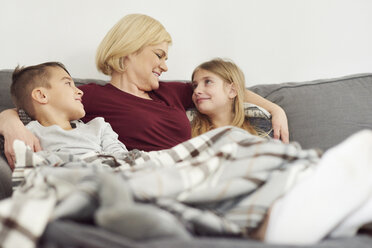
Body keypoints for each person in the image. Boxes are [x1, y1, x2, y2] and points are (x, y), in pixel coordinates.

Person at [0, 13, 289, 168]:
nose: (164, 65)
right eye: (159, 55)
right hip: (148, 172)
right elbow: (33, 104)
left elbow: (228, 88)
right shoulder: (90, 96)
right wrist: (10, 124)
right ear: (129, 51)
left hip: (190, 168)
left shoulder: (168, 92)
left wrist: (275, 108)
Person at [10, 62, 128, 158]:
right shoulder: (29, 133)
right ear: (42, 95)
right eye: (68, 83)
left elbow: (122, 157)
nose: (80, 91)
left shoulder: (99, 127)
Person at [190, 58, 265, 137]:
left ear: (232, 90)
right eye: (195, 86)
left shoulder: (259, 125)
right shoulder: (188, 125)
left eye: (208, 82)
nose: (196, 90)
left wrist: (276, 110)